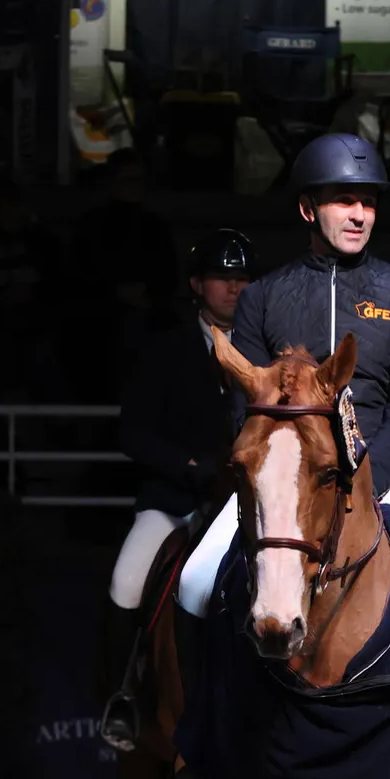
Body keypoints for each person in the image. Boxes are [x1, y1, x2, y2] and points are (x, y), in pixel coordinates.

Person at [166, 133, 390, 779]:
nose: (358, 213)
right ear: (308, 211)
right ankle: (200, 742)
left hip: (379, 473)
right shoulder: (265, 296)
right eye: (342, 201)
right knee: (193, 582)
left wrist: (365, 481)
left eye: (368, 203)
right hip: (286, 487)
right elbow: (246, 403)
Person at [99, 229, 256, 751]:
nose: (233, 289)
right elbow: (132, 432)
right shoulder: (165, 349)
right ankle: (121, 699)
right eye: (221, 279)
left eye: (242, 279)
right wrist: (187, 466)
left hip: (245, 506)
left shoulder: (268, 350)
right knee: (127, 580)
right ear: (197, 285)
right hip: (177, 501)